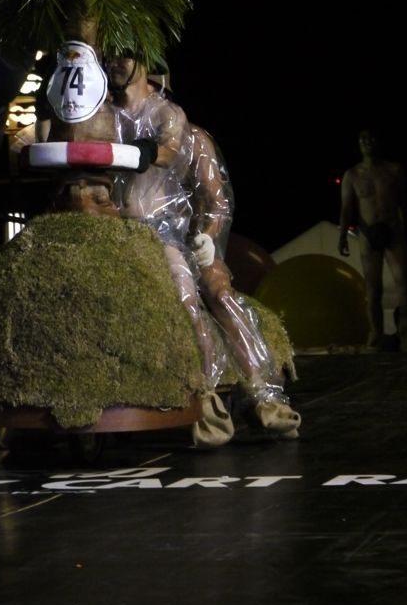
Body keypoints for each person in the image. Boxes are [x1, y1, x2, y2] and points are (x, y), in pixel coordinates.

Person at [108, 55, 301, 443]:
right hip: (131, 239)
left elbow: (216, 201)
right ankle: (207, 395)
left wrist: (208, 240)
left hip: (180, 239)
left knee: (217, 290)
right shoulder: (107, 125)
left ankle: (261, 394)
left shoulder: (190, 137)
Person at [338, 128, 407, 351]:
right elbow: (347, 208)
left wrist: (403, 230)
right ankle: (376, 333)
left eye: (371, 138)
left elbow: (403, 202)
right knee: (373, 288)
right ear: (358, 144)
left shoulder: (393, 170)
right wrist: (343, 234)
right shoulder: (352, 175)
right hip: (368, 233)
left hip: (392, 229)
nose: (367, 142)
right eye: (363, 139)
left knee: (404, 282)